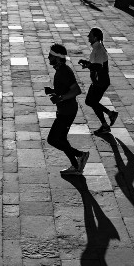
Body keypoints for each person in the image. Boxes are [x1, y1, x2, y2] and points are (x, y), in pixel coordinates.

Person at [45, 44, 89, 175]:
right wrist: (53, 91)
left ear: (58, 58)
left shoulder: (64, 71)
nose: (48, 57)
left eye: (51, 56)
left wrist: (60, 98)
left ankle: (80, 156)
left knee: (53, 140)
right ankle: (76, 165)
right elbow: (66, 89)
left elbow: (77, 90)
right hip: (65, 110)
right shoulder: (60, 70)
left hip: (67, 112)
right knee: (62, 140)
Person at [78, 27, 118, 135]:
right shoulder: (97, 48)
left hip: (100, 81)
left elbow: (98, 67)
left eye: (90, 35)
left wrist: (88, 66)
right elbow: (95, 64)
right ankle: (110, 115)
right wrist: (87, 63)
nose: (88, 37)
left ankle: (107, 122)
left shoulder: (99, 50)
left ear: (95, 37)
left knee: (91, 102)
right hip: (98, 81)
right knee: (91, 102)